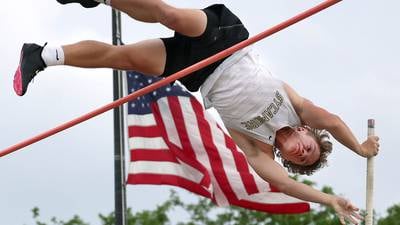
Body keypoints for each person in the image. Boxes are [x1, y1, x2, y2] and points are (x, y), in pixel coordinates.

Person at [13, 0, 380, 224]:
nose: (301, 152)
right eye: (309, 147)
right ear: (306, 132)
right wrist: (360, 149)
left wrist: (330, 200)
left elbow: (283, 184)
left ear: (287, 157)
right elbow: (331, 121)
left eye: (300, 159)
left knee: (122, 57)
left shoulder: (256, 148)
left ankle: (42, 55)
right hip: (227, 40)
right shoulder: (297, 108)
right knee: (168, 14)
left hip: (200, 73)